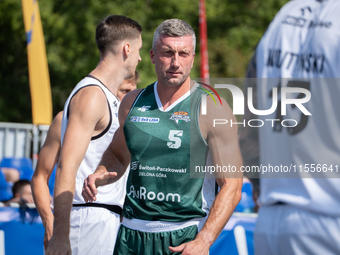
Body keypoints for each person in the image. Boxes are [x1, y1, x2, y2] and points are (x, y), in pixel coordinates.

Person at [82, 19, 243, 255]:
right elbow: (118, 153)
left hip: (185, 234)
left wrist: (205, 240)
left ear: (193, 56)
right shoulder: (132, 102)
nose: (175, 62)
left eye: (183, 53)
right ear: (152, 56)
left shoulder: (212, 106)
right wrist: (101, 172)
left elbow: (233, 184)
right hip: (132, 233)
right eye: (168, 53)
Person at [240, 0, 340, 254]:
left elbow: (249, 123)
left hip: (272, 220)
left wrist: (261, 189)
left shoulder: (285, 16)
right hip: (329, 219)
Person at [45, 15, 142, 255]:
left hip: (102, 216)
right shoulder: (92, 96)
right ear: (127, 48)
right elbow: (66, 167)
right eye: (139, 49)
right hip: (88, 218)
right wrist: (60, 236)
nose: (140, 58)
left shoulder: (104, 94)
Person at [32, 73, 140, 250]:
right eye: (123, 91)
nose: (126, 98)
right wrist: (50, 222)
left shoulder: (132, 123)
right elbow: (39, 178)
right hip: (81, 214)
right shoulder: (65, 119)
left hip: (120, 221)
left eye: (131, 92)